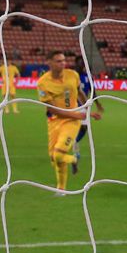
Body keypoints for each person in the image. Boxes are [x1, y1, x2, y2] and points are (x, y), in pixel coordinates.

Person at [37, 50, 102, 192]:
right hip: (54, 121)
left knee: (59, 154)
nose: (63, 63)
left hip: (71, 122)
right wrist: (78, 115)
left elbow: (80, 93)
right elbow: (52, 110)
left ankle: (68, 172)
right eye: (59, 61)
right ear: (49, 63)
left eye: (64, 60)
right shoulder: (43, 83)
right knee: (54, 159)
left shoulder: (73, 75)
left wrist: (87, 111)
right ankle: (64, 182)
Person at [73, 64, 105, 174]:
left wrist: (97, 104)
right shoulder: (77, 77)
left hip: (82, 105)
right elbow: (87, 91)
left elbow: (92, 91)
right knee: (79, 127)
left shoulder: (85, 77)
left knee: (83, 127)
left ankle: (74, 144)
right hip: (77, 105)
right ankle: (74, 145)